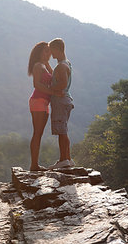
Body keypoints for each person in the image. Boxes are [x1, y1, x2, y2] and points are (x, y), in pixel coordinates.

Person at [27, 41, 62, 171]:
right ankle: (34, 165)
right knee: (37, 133)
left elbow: (54, 78)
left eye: (49, 51)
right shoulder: (37, 66)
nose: (49, 53)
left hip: (44, 102)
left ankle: (35, 164)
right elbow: (37, 85)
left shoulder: (43, 65)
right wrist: (53, 92)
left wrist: (47, 63)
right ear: (40, 52)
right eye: (46, 51)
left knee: (39, 133)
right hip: (38, 101)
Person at [47, 38, 75, 170]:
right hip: (66, 101)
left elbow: (63, 83)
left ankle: (64, 159)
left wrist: (51, 90)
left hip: (60, 101)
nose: (51, 54)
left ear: (58, 49)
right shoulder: (67, 63)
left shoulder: (61, 66)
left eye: (52, 51)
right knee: (63, 130)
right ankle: (67, 159)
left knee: (62, 131)